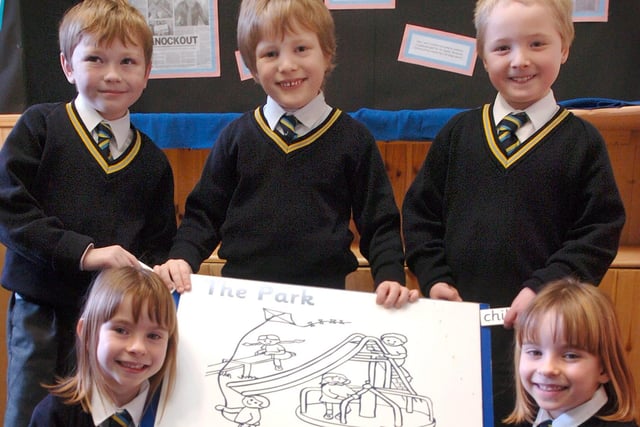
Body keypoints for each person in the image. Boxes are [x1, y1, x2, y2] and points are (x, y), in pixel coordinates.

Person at [401, 0, 625, 425]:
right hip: (460, 333)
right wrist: (436, 279)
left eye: (537, 43)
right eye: (502, 48)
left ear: (564, 48)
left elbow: (597, 232)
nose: (520, 61)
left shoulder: (582, 144)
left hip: (545, 348)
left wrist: (543, 288)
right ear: (483, 56)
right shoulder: (457, 135)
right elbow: (420, 217)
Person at [155, 0, 419, 309]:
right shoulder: (236, 138)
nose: (287, 65)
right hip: (241, 300)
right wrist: (182, 257)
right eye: (270, 54)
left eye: (301, 49)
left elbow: (379, 223)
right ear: (252, 67)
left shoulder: (354, 140)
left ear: (327, 54)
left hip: (323, 303)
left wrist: (389, 275)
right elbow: (204, 215)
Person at [0, 1, 177, 425]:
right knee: (32, 415)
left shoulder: (153, 161)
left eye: (128, 61)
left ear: (147, 72)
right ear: (67, 65)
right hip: (42, 315)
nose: (112, 74)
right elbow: (10, 208)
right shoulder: (39, 128)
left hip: (117, 328)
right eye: (95, 58)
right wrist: (87, 253)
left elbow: (157, 244)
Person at [28, 267, 179, 427]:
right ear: (87, 333)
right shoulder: (52, 416)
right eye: (121, 330)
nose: (138, 348)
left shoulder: (174, 410)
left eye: (153, 336)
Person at [505, 277, 638, 426]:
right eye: (535, 353)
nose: (547, 369)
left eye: (570, 356)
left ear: (604, 368)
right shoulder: (529, 417)